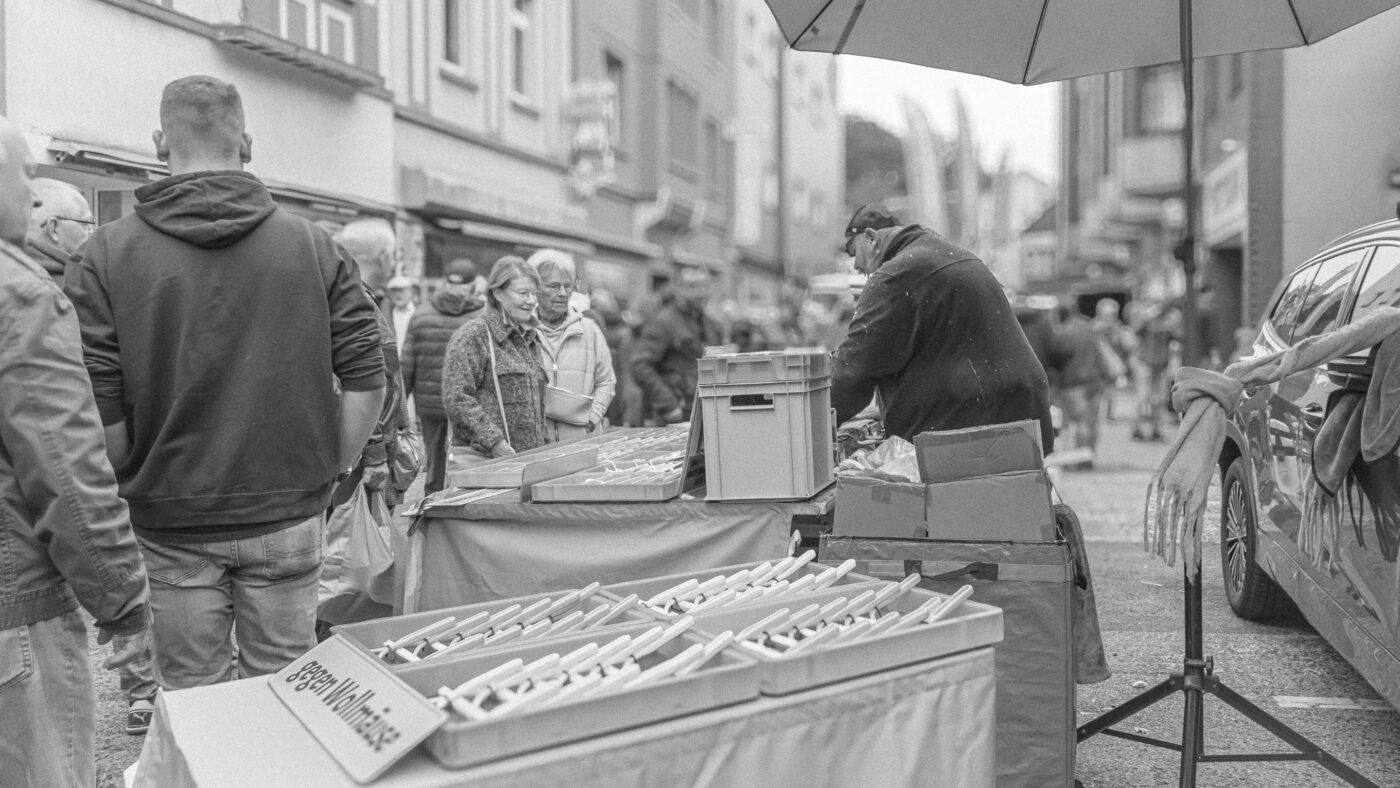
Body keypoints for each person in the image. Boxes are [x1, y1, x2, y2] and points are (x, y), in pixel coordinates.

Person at [64, 75, 385, 690]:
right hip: (286, 508)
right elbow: (369, 378)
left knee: (195, 701)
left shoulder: (103, 255)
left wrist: (141, 471)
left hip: (169, 516)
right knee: (288, 696)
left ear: (161, 144)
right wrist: (328, 468)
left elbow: (97, 398)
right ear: (248, 143)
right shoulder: (315, 246)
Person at [0, 114, 152, 784]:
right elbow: (65, 468)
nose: (29, 191)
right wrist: (122, 599)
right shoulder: (22, 296)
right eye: (26, 174)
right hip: (16, 603)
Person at [832, 204, 1055, 450]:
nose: (856, 267)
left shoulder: (896, 275)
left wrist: (818, 421)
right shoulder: (949, 254)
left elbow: (855, 370)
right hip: (1018, 408)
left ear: (871, 238)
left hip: (973, 418)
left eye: (855, 254)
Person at [332, 219, 416, 514]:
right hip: (360, 459)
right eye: (394, 255)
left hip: (362, 450)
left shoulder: (358, 298)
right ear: (383, 256)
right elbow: (360, 382)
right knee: (361, 548)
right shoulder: (358, 303)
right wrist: (375, 454)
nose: (396, 262)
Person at [443, 256, 549, 460]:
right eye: (522, 293)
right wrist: (494, 442)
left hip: (526, 461)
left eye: (534, 293)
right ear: (498, 293)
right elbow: (457, 398)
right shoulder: (474, 335)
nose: (531, 301)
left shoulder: (530, 337)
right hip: (487, 462)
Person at [402, 258, 486, 494]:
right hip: (470, 406)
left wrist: (399, 417)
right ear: (473, 285)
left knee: (435, 467)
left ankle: (432, 514)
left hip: (431, 406)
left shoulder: (421, 315)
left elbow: (405, 369)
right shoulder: (482, 317)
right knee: (467, 465)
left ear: (443, 282)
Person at [528, 249, 616, 441]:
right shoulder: (522, 331)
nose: (562, 293)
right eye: (553, 286)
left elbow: (606, 381)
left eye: (567, 286)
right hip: (535, 445)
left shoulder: (590, 330)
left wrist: (591, 419)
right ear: (535, 288)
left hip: (582, 441)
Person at [630, 265, 722, 424]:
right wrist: (669, 406)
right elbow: (640, 365)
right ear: (679, 289)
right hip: (675, 415)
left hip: (701, 409)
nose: (700, 293)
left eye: (704, 287)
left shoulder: (707, 322)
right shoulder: (665, 321)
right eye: (692, 287)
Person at [1048, 305, 1115, 466]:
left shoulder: (1063, 333)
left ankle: (1082, 459)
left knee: (1081, 422)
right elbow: (1101, 353)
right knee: (1093, 421)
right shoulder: (1089, 328)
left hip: (1074, 384)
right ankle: (1090, 455)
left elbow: (1057, 359)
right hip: (1095, 381)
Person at [25, 177, 95, 287]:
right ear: (54, 228)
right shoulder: (72, 289)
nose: (92, 234)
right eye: (85, 224)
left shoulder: (10, 269)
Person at [385, 274, 417, 352]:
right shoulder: (387, 314)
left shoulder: (418, 312)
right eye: (394, 291)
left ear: (410, 291)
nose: (398, 295)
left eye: (401, 290)